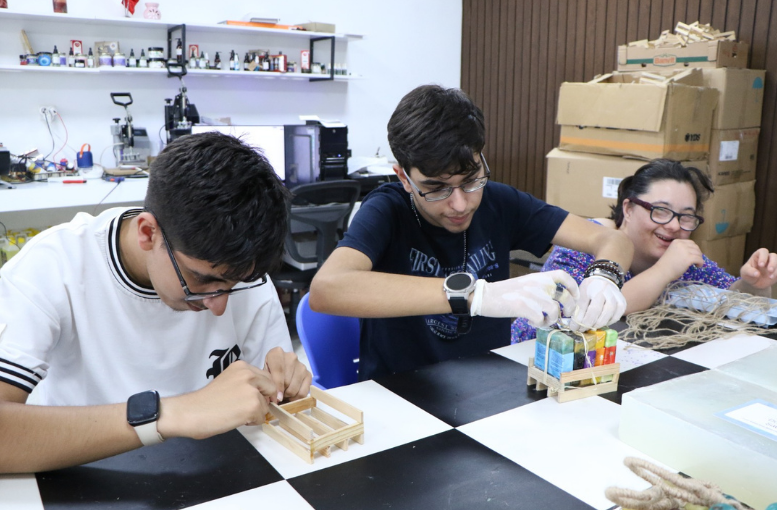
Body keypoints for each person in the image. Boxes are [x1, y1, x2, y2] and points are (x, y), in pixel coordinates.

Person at [0, 132, 312, 473]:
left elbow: (270, 407)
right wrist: (170, 413)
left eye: (233, 286)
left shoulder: (240, 272)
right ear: (147, 233)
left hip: (215, 472)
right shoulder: (54, 266)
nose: (218, 306)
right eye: (201, 281)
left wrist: (283, 388)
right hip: (87, 476)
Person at [309, 84, 634, 380]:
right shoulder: (387, 210)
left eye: (471, 180)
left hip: (489, 384)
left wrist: (605, 276)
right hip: (403, 391)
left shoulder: (499, 202)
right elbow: (327, 289)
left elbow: (611, 239)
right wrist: (477, 295)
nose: (460, 204)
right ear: (404, 178)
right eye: (436, 188)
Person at [512, 159, 777, 342]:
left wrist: (752, 284)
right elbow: (579, 315)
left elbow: (726, 300)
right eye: (660, 211)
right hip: (529, 363)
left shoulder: (681, 255)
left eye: (686, 217)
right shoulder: (587, 243)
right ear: (628, 209)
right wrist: (664, 271)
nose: (674, 226)